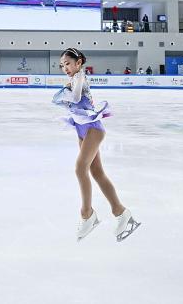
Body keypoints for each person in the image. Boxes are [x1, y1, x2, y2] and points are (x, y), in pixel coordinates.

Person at [51, 47, 140, 242]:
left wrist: (64, 92)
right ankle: (122, 213)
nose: (64, 68)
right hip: (82, 129)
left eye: (67, 63)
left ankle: (87, 214)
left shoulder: (80, 76)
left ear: (78, 63)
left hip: (92, 128)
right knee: (97, 173)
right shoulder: (74, 79)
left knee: (79, 169)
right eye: (62, 65)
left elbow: (74, 98)